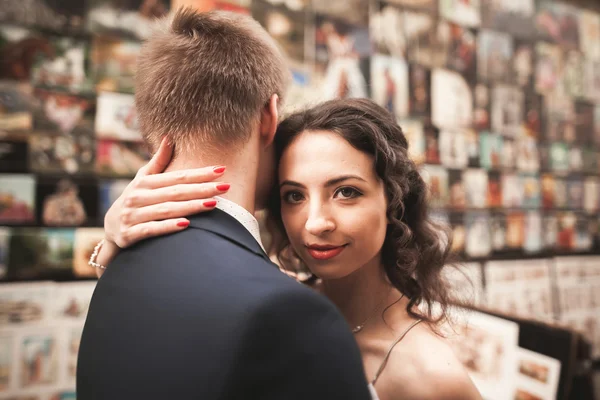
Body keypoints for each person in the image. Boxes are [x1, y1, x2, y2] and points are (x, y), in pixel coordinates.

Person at [95, 98, 483, 400]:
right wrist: (114, 242)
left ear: (393, 200)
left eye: (346, 192)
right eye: (294, 195)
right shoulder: (278, 309)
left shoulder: (432, 375)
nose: (315, 223)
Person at [77, 8, 371, 400]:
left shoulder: (114, 269)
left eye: (346, 192)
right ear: (269, 117)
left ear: (149, 129)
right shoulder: (287, 311)